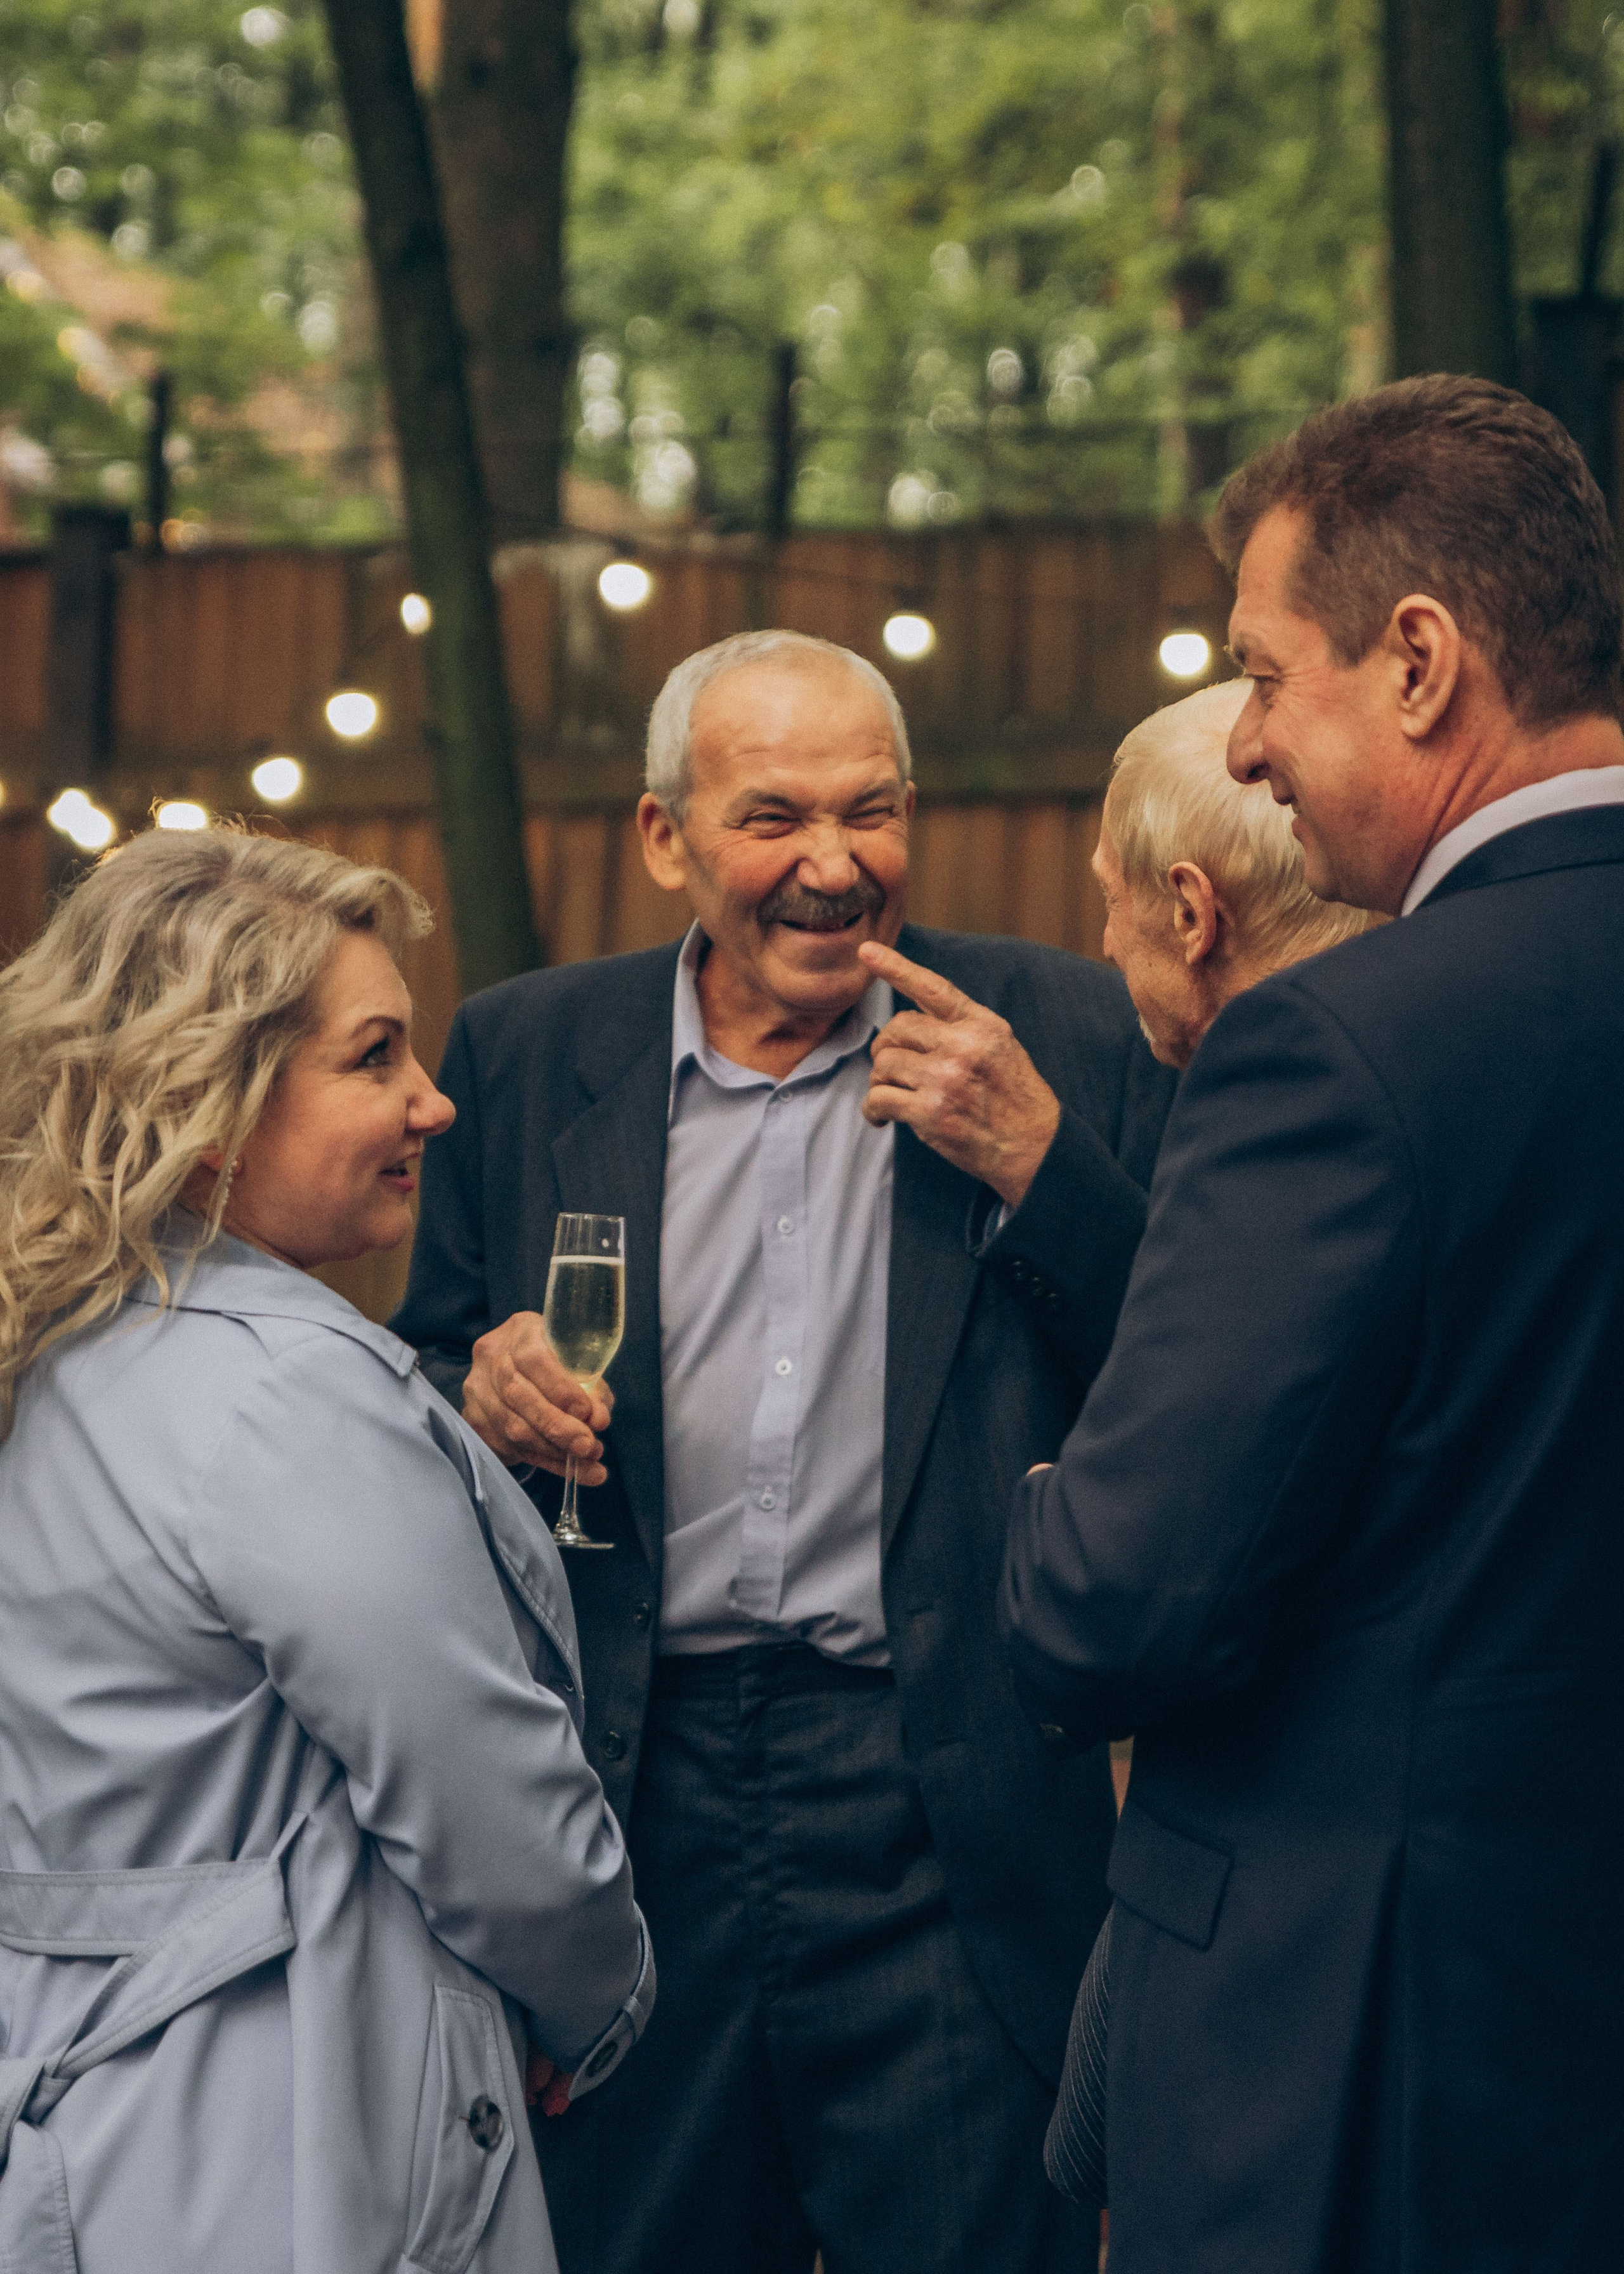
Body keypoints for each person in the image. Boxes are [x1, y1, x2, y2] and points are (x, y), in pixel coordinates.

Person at [393, 628, 1176, 2274]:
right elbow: (414, 1372)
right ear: (666, 836)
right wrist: (479, 1385)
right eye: (773, 820)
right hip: (631, 1787)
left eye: (872, 810)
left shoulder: (1067, 1035)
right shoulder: (524, 1055)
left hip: (938, 1790)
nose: (835, 865)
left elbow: (1187, 1381)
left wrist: (1043, 1166)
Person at [1000, 374, 1624, 2273]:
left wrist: (1046, 1505)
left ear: (1419, 658)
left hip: (1365, 2045)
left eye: (1265, 675)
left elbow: (1115, 1598)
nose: (1250, 744)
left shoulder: (1336, 1050)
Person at [0, 829, 653, 2274]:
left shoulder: (52, 1351)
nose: (431, 1104)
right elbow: (493, 1809)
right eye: (373, 1059)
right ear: (212, 1104)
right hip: (299, 2143)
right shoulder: (288, 1392)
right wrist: (596, 2000)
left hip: (76, 2133)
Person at [1040, 676, 1369, 2209]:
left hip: (1298, 1935)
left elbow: (1121, 1586)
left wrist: (1050, 1510)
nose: (1100, 950)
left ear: (1185, 911)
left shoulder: (1278, 1090)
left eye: (1104, 911)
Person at [1089, 676, 1370, 1071]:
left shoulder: (1256, 1108)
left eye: (1112, 897)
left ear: (1192, 915)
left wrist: (1042, 1135)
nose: (1108, 946)